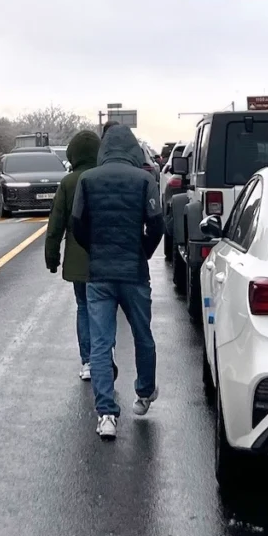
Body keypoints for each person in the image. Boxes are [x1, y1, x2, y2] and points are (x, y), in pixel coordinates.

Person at [72, 124, 164, 440]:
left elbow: (77, 225)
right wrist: (143, 253)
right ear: (133, 150)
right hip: (134, 273)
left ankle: (106, 414)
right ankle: (144, 391)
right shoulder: (145, 180)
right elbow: (157, 225)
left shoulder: (87, 180)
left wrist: (95, 249)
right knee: (142, 334)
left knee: (100, 343)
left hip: (99, 275)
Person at [45, 130, 118, 383]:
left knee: (84, 307)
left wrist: (52, 257)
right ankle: (106, 354)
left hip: (78, 257)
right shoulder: (107, 177)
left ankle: (88, 361)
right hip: (108, 255)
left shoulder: (68, 182)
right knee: (107, 307)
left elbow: (55, 225)